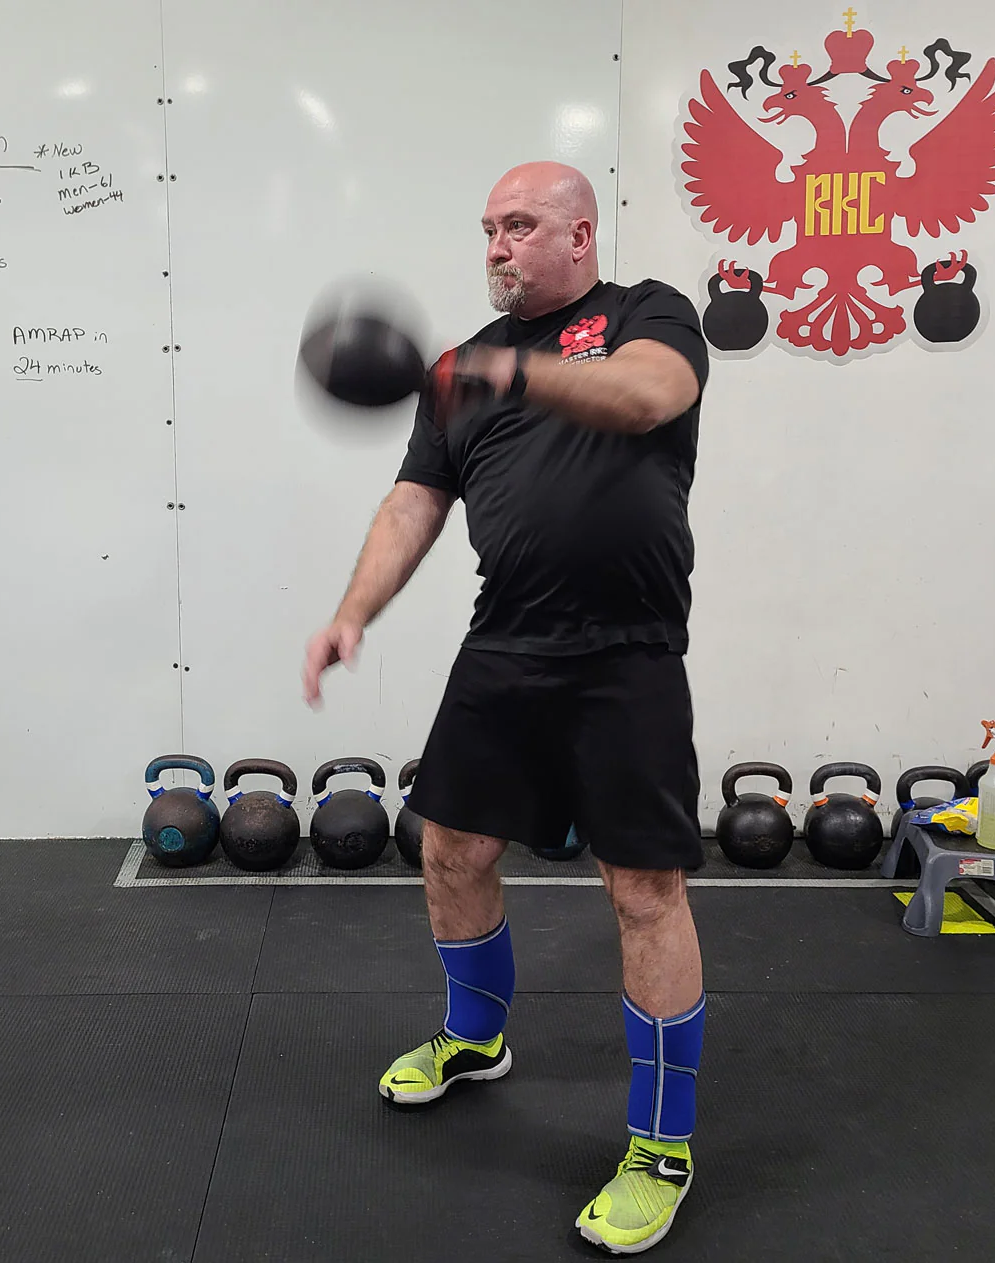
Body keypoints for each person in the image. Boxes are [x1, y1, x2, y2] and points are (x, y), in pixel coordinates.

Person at [301, 160, 709, 1256]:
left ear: (579, 235)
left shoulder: (648, 313)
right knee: (450, 849)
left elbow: (648, 396)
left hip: (627, 654)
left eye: (519, 225)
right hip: (506, 644)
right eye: (488, 227)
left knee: (645, 894)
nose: (496, 245)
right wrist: (353, 612)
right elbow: (414, 501)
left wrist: (503, 371)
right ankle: (476, 1038)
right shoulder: (458, 375)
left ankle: (661, 1146)